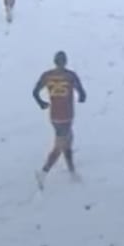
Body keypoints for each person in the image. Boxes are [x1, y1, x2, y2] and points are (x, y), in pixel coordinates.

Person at [32, 51, 87, 188]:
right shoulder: (70, 76)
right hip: (67, 115)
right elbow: (82, 94)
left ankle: (72, 172)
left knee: (68, 141)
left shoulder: (47, 75)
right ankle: (43, 172)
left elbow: (35, 92)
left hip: (54, 115)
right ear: (65, 61)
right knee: (60, 145)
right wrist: (80, 97)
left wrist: (42, 103)